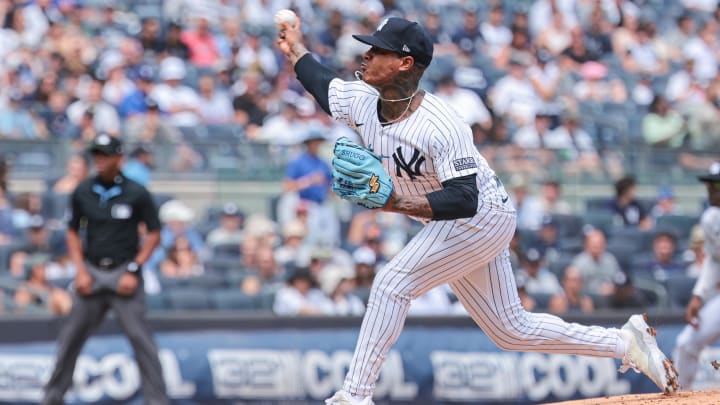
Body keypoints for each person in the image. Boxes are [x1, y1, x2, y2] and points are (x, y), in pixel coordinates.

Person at [276, 15, 677, 404]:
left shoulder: (441, 124)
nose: (365, 56)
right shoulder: (362, 101)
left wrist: (395, 201)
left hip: (480, 217)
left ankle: (355, 396)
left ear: (404, 63)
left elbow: (463, 198)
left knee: (390, 284)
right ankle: (627, 342)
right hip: (452, 223)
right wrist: (295, 46)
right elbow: (321, 81)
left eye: (376, 50)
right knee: (510, 330)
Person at [41, 134, 168, 405]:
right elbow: (73, 232)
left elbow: (155, 233)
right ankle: (52, 398)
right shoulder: (83, 191)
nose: (99, 160)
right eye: (96, 155)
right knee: (70, 339)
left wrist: (134, 268)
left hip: (124, 272)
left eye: (105, 155)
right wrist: (80, 270)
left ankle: (157, 400)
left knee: (140, 339)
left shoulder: (136, 192)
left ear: (119, 158)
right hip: (92, 272)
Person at [674, 162, 720, 390]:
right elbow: (713, 260)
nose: (711, 189)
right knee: (686, 344)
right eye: (710, 183)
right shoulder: (711, 219)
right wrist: (699, 295)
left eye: (717, 184)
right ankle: (679, 397)